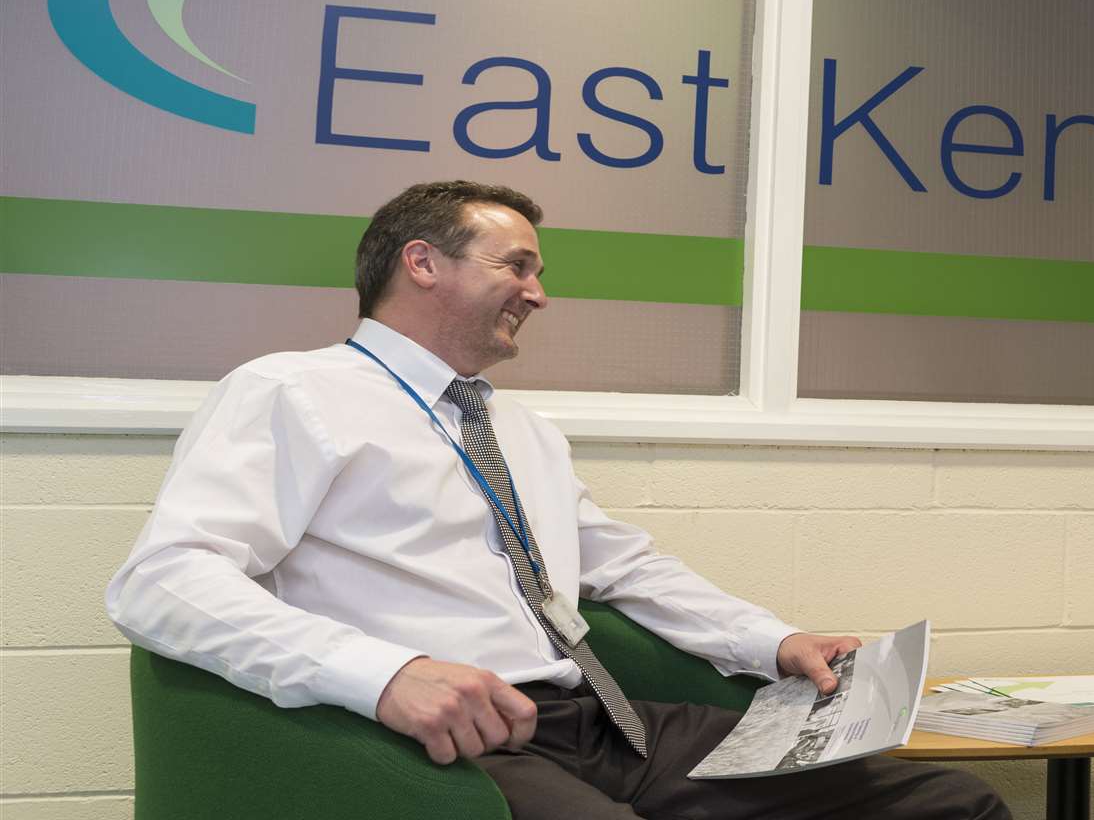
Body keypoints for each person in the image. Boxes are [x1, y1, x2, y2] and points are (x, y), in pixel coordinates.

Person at [107, 180, 1007, 820]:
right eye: (517, 266)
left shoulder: (519, 430)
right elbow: (163, 583)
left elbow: (623, 567)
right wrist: (384, 676)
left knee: (947, 801)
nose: (539, 294)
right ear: (421, 263)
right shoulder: (292, 392)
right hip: (461, 744)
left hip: (603, 724)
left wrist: (775, 641)